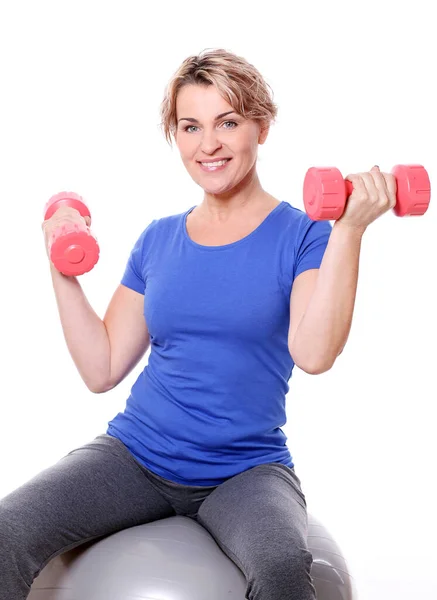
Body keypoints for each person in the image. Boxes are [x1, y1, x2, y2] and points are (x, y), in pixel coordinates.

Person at [0, 48, 396, 600]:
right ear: (176, 135)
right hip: (135, 454)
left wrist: (350, 230)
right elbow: (102, 366)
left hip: (246, 471)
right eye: (190, 127)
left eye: (227, 123)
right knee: (4, 531)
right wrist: (59, 267)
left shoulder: (306, 235)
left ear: (262, 126)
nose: (207, 144)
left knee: (283, 568)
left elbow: (314, 353)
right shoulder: (158, 238)